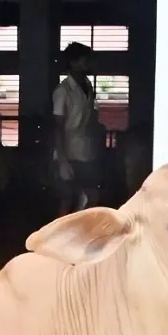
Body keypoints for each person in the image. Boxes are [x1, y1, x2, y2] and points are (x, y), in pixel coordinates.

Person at [52, 41, 102, 214]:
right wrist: (63, 162)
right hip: (69, 153)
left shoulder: (88, 86)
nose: (88, 63)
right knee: (68, 198)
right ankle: (58, 239)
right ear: (73, 63)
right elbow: (57, 128)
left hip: (87, 152)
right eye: (84, 60)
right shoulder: (63, 91)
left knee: (93, 197)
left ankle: (82, 236)